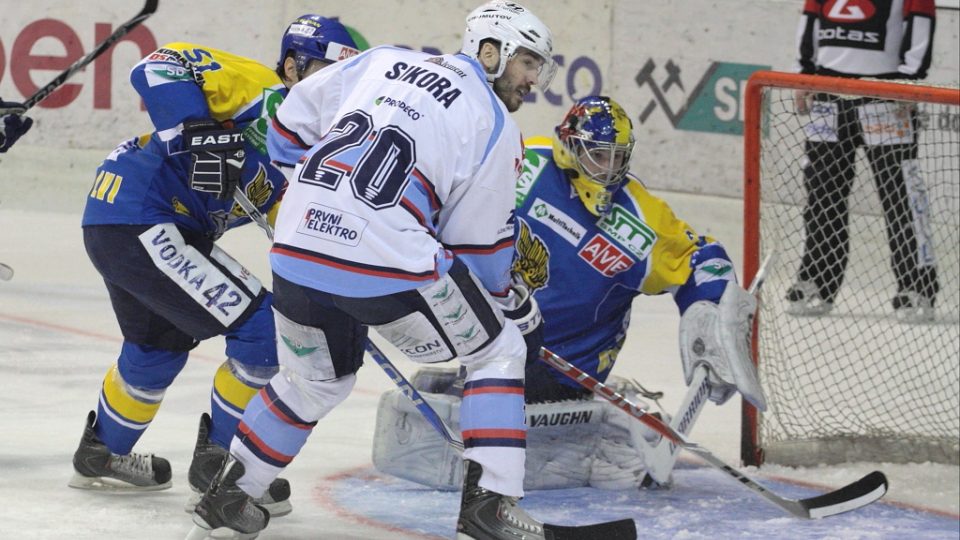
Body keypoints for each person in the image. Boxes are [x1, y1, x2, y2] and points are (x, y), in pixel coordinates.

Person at [188, 3, 634, 539]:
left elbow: (285, 129)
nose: (534, 79)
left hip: (296, 246)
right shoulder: (493, 123)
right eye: (528, 63)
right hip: (384, 255)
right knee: (500, 350)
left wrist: (313, 204)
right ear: (489, 52)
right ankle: (491, 504)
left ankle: (232, 491)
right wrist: (511, 306)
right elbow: (477, 251)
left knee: (314, 379)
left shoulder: (380, 61)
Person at [371, 96, 767, 492]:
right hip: (496, 333)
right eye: (598, 155)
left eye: (617, 158)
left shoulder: (640, 219)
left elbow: (701, 257)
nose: (608, 169)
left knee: (489, 444)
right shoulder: (526, 163)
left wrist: (712, 314)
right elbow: (448, 190)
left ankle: (575, 439)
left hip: (569, 364)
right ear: (571, 146)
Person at [69, 15, 362, 518]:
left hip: (119, 220)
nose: (337, 88)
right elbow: (157, 65)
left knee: (158, 344)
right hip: (144, 213)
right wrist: (197, 128)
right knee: (264, 331)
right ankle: (223, 467)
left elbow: (294, 226)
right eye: (325, 72)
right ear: (292, 66)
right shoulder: (260, 89)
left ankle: (103, 452)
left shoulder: (320, 149)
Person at [788, 0, 938, 322]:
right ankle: (817, 280)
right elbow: (811, 21)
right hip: (827, 95)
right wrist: (804, 74)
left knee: (901, 196)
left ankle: (918, 287)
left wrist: (908, 80)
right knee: (822, 194)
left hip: (885, 97)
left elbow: (921, 23)